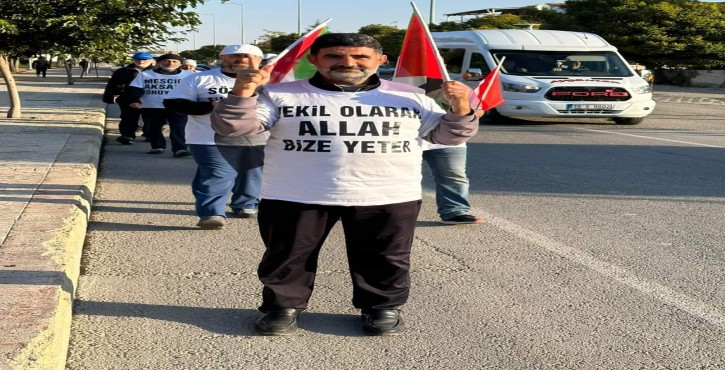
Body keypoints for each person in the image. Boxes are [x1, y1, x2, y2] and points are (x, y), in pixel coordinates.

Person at [210, 33, 478, 337]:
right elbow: (234, 128)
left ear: (380, 61)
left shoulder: (412, 97)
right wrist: (243, 90)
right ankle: (281, 308)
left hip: (388, 192)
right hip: (296, 192)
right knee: (287, 256)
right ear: (314, 60)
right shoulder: (278, 94)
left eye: (360, 57)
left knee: (385, 257)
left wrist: (460, 107)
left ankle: (382, 308)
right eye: (334, 56)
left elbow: (448, 137)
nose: (348, 63)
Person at [164, 44, 267, 229]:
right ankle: (212, 213)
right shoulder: (199, 78)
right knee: (217, 173)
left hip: (255, 137)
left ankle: (246, 204)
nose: (241, 59)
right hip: (208, 137)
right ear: (222, 57)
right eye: (234, 55)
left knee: (251, 174)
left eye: (248, 56)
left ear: (259, 60)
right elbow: (174, 103)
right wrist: (209, 107)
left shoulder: (270, 82)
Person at [123, 53, 193, 156]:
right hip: (152, 106)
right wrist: (134, 100)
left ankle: (180, 149)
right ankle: (157, 146)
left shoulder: (188, 75)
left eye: (174, 61)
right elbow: (135, 88)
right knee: (154, 127)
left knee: (179, 128)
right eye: (167, 61)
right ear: (159, 63)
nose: (170, 63)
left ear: (179, 64)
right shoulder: (146, 74)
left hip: (178, 106)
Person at [102, 52, 155, 145]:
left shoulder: (157, 72)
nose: (141, 61)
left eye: (144, 60)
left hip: (150, 97)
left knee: (151, 117)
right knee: (128, 117)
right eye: (138, 59)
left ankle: (150, 134)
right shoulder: (123, 71)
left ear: (151, 61)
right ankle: (127, 135)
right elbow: (113, 84)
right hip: (127, 97)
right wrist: (109, 96)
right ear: (133, 60)